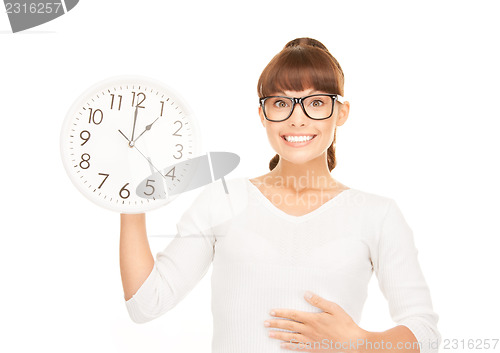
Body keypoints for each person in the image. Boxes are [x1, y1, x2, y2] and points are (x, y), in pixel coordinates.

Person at [120, 37, 441, 353]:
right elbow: (146, 305)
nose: (296, 118)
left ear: (340, 112)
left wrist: (359, 343)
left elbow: (424, 334)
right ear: (262, 114)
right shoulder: (223, 200)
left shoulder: (377, 214)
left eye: (316, 102)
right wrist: (131, 200)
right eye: (281, 103)